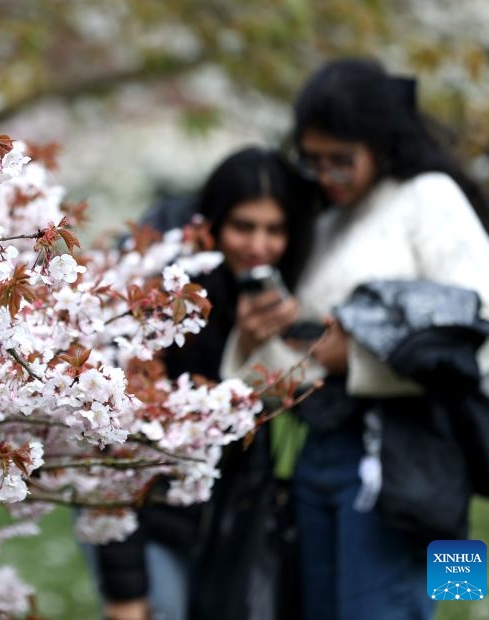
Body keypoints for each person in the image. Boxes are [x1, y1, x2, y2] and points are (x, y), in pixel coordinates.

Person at [222, 58, 489, 620]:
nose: (327, 176)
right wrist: (251, 348)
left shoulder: (428, 197)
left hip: (404, 456)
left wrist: (358, 359)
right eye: (314, 160)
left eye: (342, 161)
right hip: (317, 453)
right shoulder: (326, 223)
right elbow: (303, 366)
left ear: (380, 144)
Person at [94, 146, 315, 620]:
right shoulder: (161, 294)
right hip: (143, 508)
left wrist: (260, 350)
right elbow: (115, 448)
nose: (258, 245)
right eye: (243, 227)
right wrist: (125, 590)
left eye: (274, 230)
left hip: (221, 518)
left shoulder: (273, 294)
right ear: (211, 226)